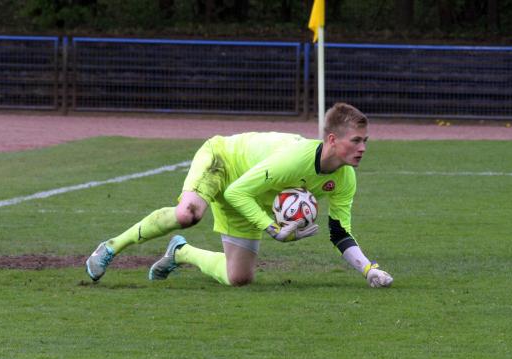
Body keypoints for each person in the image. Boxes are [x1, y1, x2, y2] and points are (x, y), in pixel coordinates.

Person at [85, 102, 393, 288]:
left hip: (253, 196)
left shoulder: (344, 179)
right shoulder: (294, 159)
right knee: (188, 213)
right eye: (356, 140)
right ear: (332, 139)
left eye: (365, 140)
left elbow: (339, 232)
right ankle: (111, 247)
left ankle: (180, 253)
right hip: (224, 161)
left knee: (239, 279)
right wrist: (274, 229)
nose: (363, 147)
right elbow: (236, 191)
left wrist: (368, 269)